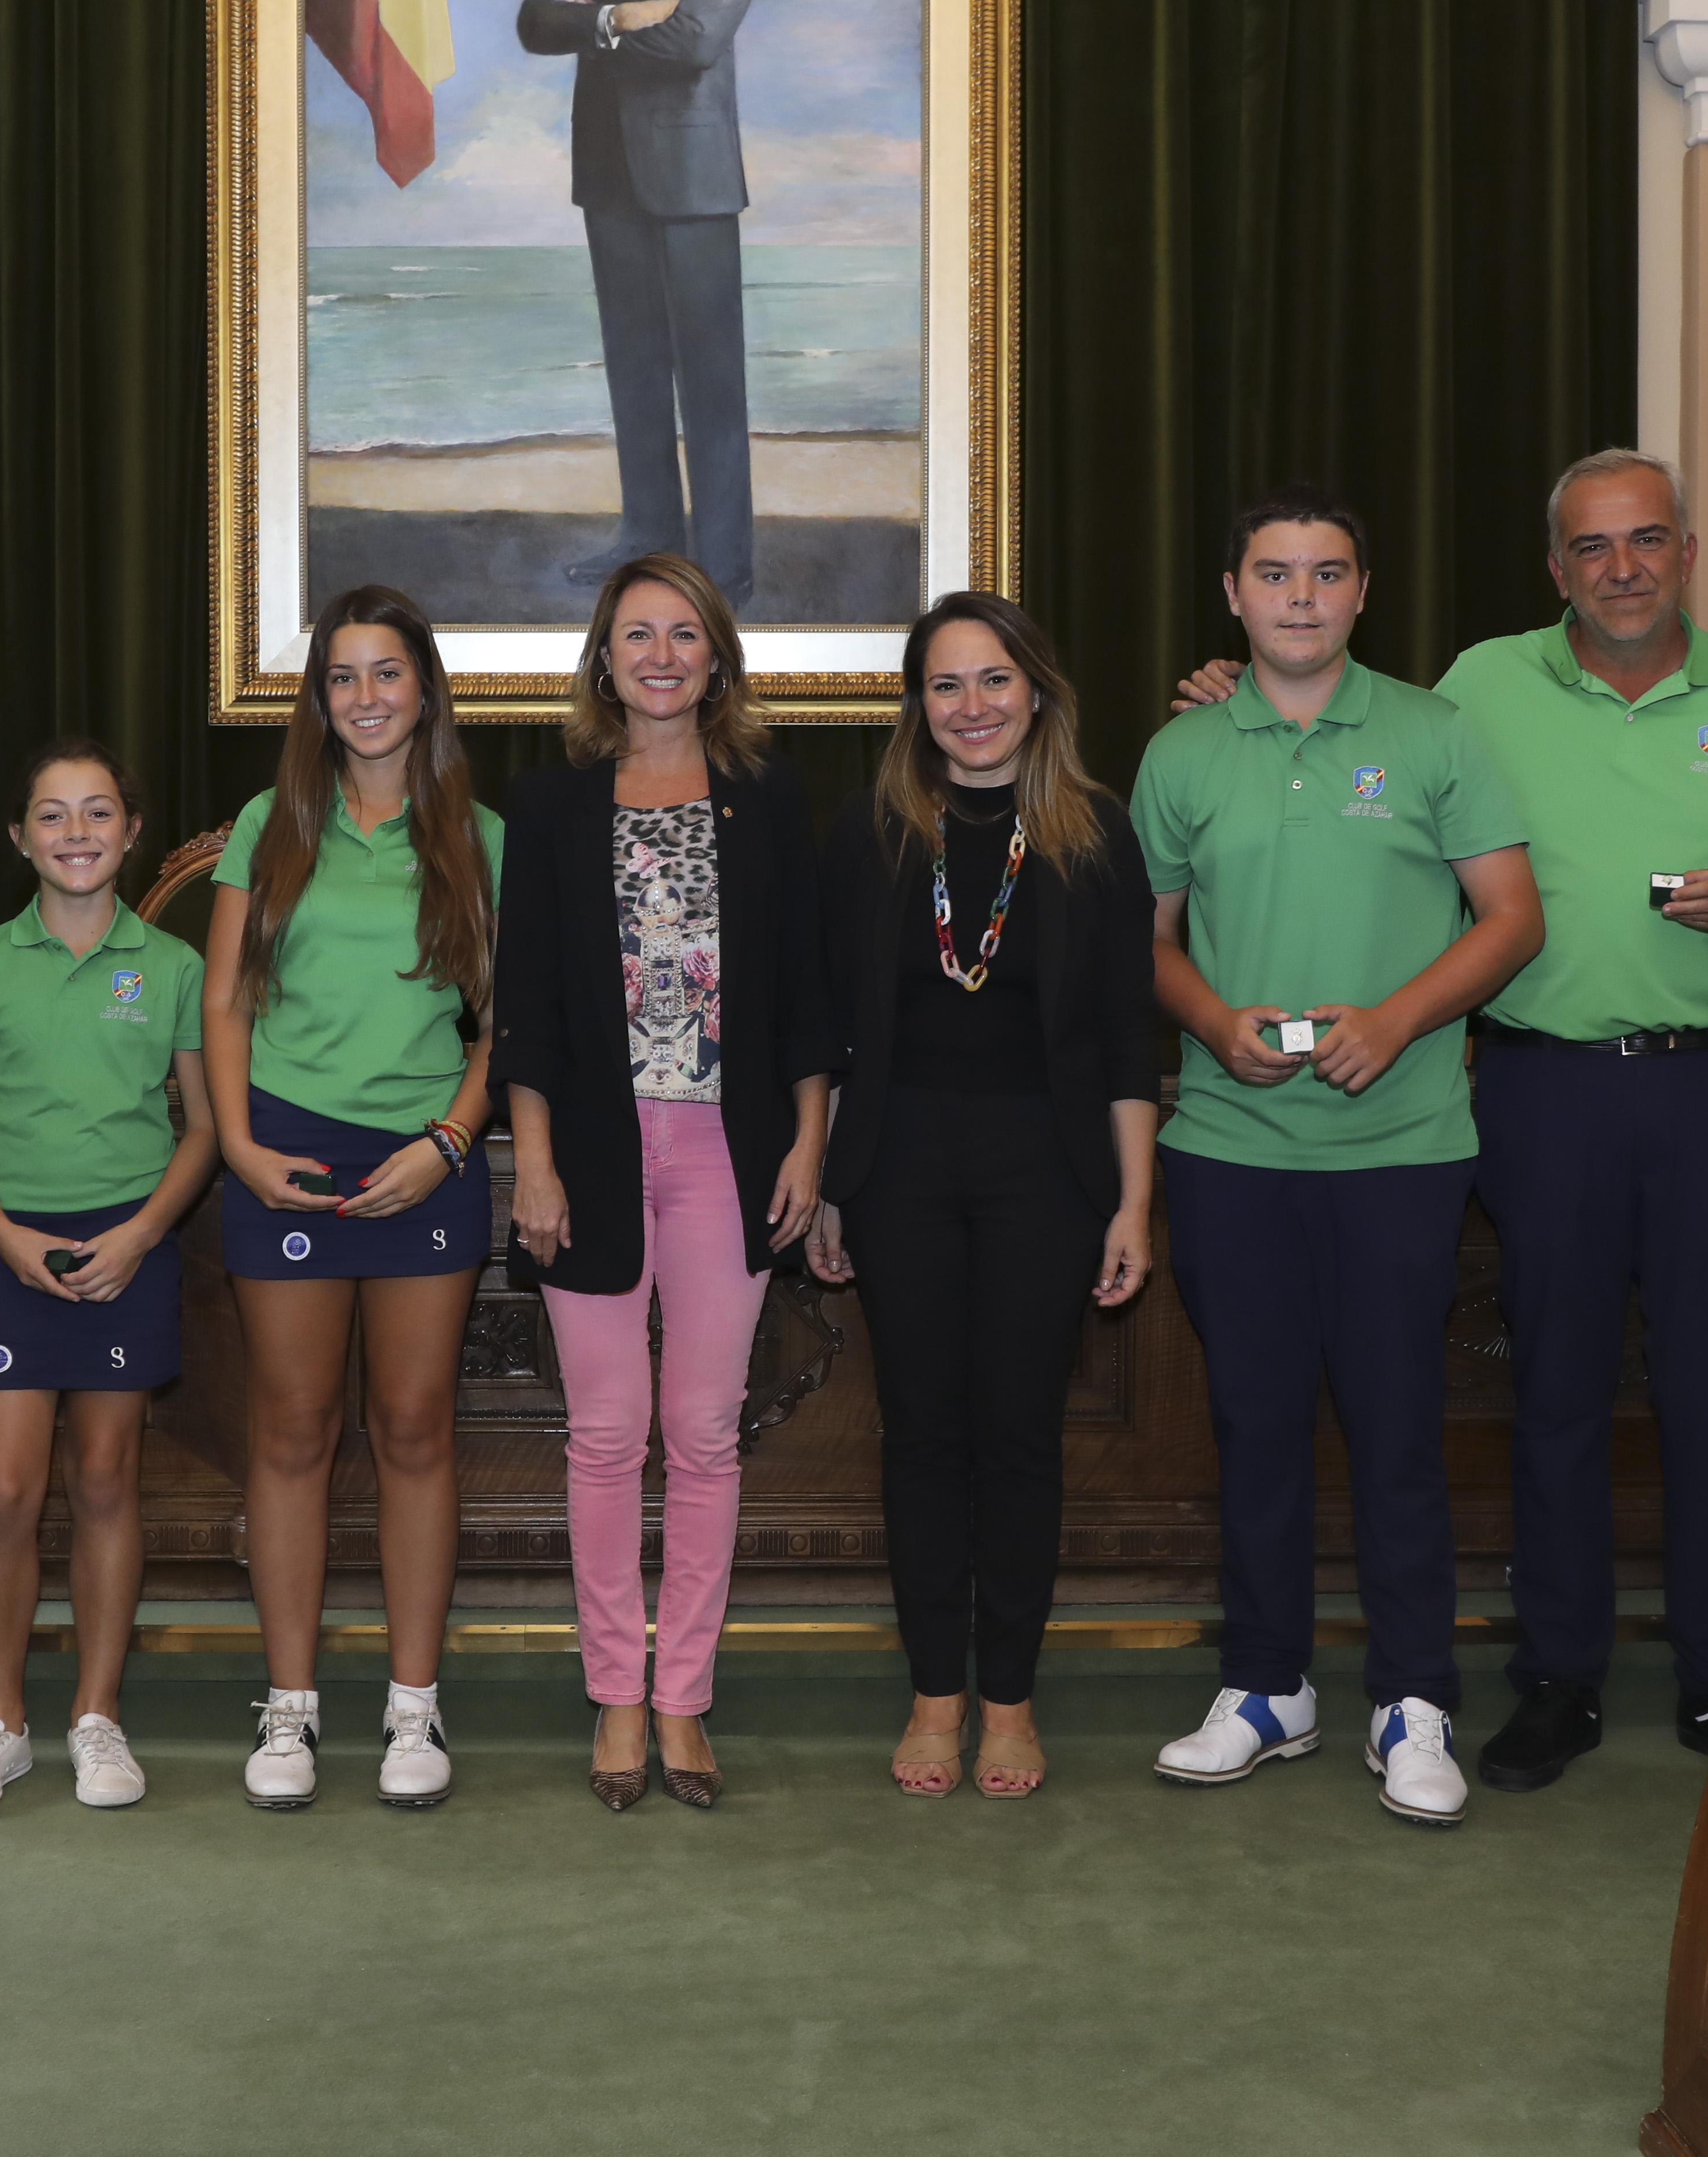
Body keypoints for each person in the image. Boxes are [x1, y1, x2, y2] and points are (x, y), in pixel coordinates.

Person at [1169, 451, 1708, 1798]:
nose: (1621, 568)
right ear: (1555, 569)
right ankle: (1557, 1679)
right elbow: (1335, 729)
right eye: (1592, 548)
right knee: (1554, 1391)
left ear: (1687, 550)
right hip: (1540, 1086)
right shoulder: (1478, 685)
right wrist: (1220, 694)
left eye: (1646, 541)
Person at [1137, 490, 1542, 1829]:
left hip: (1402, 1146)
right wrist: (1210, 1020)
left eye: (1325, 574)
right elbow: (1148, 941)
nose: (1299, 596)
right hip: (1229, 1144)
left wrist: (1397, 1018)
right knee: (1254, 1427)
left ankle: (1412, 1698)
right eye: (1273, 574)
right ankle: (1266, 1689)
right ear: (1233, 593)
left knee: (1396, 1434)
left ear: (1363, 591)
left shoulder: (1436, 733)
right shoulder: (1184, 753)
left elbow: (1510, 919)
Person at [808, 592, 1157, 1800]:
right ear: (917, 706)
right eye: (946, 685)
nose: (971, 707)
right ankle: (933, 1695)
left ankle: (1006, 1698)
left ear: (1038, 691)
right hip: (900, 1170)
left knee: (1017, 1439)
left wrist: (1130, 1204)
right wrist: (832, 1186)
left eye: (993, 680)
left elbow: (1126, 1042)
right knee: (920, 1437)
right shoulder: (867, 831)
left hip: (1045, 1176)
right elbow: (835, 1036)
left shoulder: (1094, 833)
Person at [497, 552, 831, 1812]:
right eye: (635, 634)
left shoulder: (770, 795)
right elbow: (522, 1005)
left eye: (682, 634)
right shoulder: (549, 806)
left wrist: (806, 1144)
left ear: (715, 658)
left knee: (699, 1435)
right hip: (585, 1153)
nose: (659, 655)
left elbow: (804, 994)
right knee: (603, 1435)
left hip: (728, 1151)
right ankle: (614, 1698)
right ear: (602, 658)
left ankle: (683, 1697)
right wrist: (530, 1162)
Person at [205, 584, 504, 1810]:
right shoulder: (266, 824)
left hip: (424, 1153)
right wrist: (237, 1144)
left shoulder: (478, 834)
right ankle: (289, 1711)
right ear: (317, 698)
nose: (367, 697)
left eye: (388, 674)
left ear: (425, 691)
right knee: (290, 1432)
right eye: (343, 676)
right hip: (285, 1152)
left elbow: (506, 1026)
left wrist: (448, 1137)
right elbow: (223, 1001)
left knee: (417, 1428)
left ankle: (412, 1709)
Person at [0, 740, 215, 1817]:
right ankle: (0, 1721)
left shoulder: (173, 965)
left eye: (99, 813)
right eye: (53, 815)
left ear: (133, 831)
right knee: (4, 1486)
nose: (77, 833)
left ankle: (98, 1715)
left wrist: (140, 1234)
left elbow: (206, 1125)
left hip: (127, 1243)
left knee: (103, 1479)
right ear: (19, 838)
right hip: (13, 1243)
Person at [514, 0, 772, 603]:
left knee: (709, 377)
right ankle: (650, 535)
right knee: (633, 367)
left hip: (693, 174)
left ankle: (724, 563)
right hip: (609, 170)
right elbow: (533, 22)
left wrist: (592, 18)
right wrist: (626, 14)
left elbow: (701, 39)